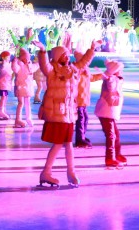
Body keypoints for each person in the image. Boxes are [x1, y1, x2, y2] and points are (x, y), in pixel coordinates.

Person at [34, 38, 100, 187]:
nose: (67, 56)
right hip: (57, 113)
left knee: (68, 144)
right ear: (57, 57)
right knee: (58, 144)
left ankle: (70, 172)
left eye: (67, 54)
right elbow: (44, 65)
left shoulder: (72, 69)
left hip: (69, 114)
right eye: (63, 54)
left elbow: (83, 63)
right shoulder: (52, 71)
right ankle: (47, 172)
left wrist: (92, 48)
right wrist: (43, 51)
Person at [93, 59, 127, 168]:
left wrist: (113, 78)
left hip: (111, 112)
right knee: (111, 135)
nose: (121, 72)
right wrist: (110, 78)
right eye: (119, 70)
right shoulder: (111, 80)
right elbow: (111, 87)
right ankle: (110, 158)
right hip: (105, 112)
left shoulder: (116, 79)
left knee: (116, 134)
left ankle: (117, 154)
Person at [12, 47, 36, 128]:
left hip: (28, 88)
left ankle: (28, 118)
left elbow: (37, 66)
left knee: (27, 103)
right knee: (21, 103)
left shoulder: (29, 66)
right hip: (20, 87)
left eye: (28, 58)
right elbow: (14, 67)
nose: (27, 59)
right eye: (25, 58)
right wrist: (15, 59)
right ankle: (18, 119)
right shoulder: (19, 66)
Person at [0, 51, 12, 120]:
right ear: (3, 57)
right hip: (2, 83)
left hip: (5, 83)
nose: (9, 58)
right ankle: (1, 110)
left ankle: (2, 110)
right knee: (3, 96)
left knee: (5, 97)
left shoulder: (7, 63)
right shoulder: (2, 64)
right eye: (8, 57)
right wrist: (4, 62)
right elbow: (3, 67)